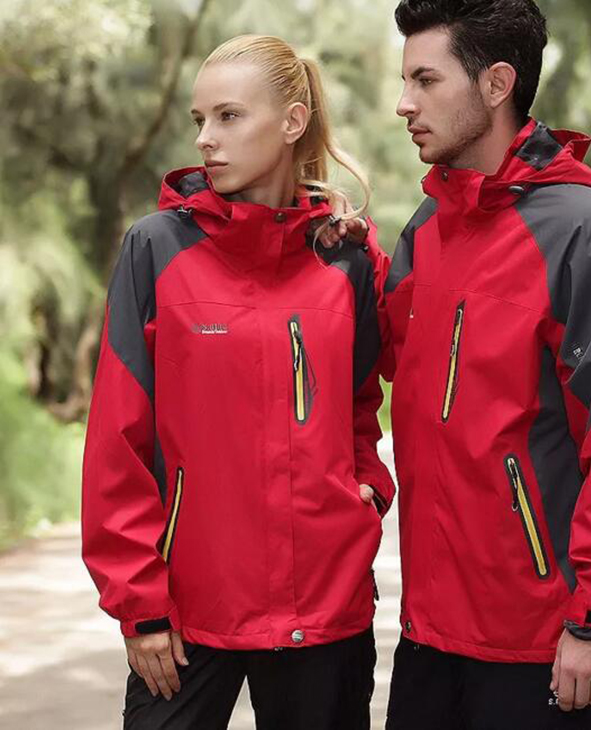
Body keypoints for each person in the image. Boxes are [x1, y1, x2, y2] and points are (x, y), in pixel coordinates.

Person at [346, 1, 591, 727]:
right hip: (429, 636)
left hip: (542, 644)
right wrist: (342, 249)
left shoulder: (583, 233)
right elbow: (392, 354)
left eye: (425, 80)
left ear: (497, 83)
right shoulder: (429, 228)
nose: (404, 104)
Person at [80, 34, 395, 730]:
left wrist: (365, 487)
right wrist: (139, 604)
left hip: (325, 605)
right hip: (187, 611)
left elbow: (360, 404)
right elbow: (117, 438)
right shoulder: (156, 248)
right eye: (200, 119)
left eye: (228, 116)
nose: (205, 139)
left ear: (291, 122)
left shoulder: (348, 258)